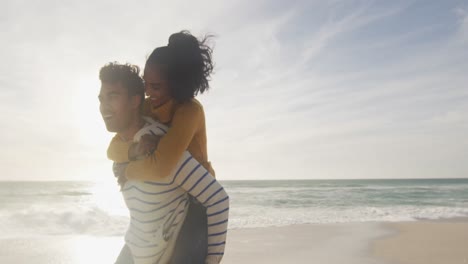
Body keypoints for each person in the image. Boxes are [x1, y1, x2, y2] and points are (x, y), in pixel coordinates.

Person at [98, 62, 229, 264]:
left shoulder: (159, 145)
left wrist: (212, 261)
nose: (104, 106)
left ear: (135, 101)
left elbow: (218, 199)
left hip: (170, 252)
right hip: (135, 250)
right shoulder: (122, 148)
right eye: (101, 99)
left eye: (113, 96)